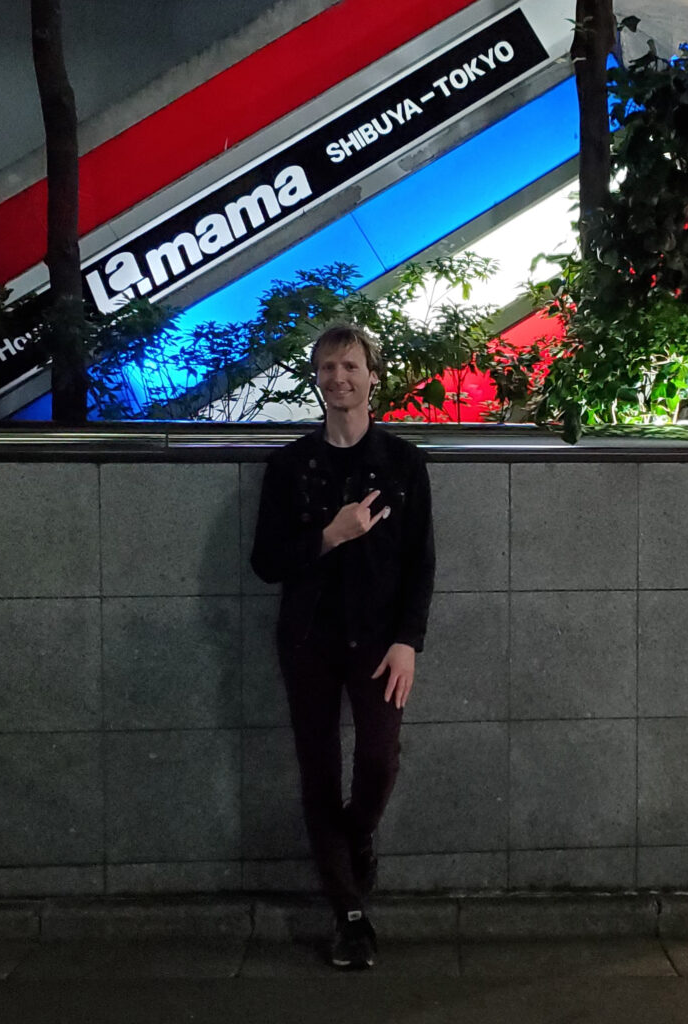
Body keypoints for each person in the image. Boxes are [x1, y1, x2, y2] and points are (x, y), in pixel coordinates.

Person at [250, 322, 435, 970]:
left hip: (380, 644)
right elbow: (266, 562)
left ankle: (355, 840)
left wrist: (408, 642)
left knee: (379, 762)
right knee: (319, 775)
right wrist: (330, 535)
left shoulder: (405, 463)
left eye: (350, 366)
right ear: (316, 380)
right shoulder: (290, 466)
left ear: (372, 376)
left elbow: (421, 564)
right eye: (327, 368)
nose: (338, 378)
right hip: (308, 641)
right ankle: (349, 915)